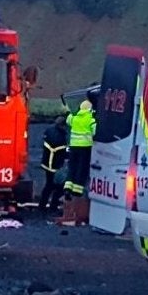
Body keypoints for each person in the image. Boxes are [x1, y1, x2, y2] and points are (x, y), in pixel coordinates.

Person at [60, 97, 97, 226]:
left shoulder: (75, 119)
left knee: (72, 168)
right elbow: (95, 132)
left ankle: (67, 188)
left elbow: (68, 117)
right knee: (82, 169)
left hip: (73, 147)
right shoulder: (91, 120)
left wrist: (66, 109)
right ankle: (77, 190)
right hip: (85, 148)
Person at [39, 113, 69, 218]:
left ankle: (42, 206)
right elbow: (64, 151)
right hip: (54, 165)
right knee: (58, 187)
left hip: (47, 163)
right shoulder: (60, 137)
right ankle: (52, 206)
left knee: (48, 186)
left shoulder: (49, 131)